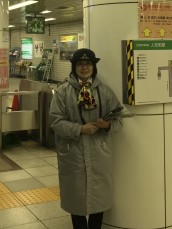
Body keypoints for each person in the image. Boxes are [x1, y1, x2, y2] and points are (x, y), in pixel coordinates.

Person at [49, 48, 123, 229]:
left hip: (99, 151)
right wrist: (79, 129)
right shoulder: (62, 92)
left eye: (88, 64)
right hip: (73, 152)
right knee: (76, 197)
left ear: (93, 67)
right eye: (80, 64)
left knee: (99, 196)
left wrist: (108, 125)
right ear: (74, 67)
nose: (84, 68)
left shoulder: (104, 91)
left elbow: (120, 119)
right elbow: (55, 122)